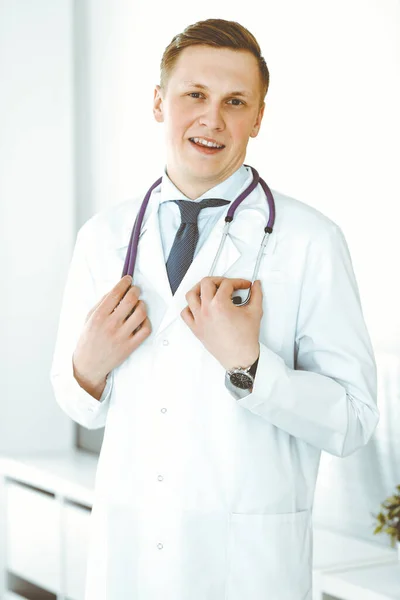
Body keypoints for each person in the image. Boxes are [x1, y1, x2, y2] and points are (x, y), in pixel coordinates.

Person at [50, 18, 379, 600]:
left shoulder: (309, 240)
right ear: (159, 101)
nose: (212, 119)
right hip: (129, 563)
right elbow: (79, 405)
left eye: (235, 101)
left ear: (258, 117)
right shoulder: (103, 237)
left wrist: (251, 366)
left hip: (245, 571)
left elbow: (354, 421)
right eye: (194, 95)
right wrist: (88, 365)